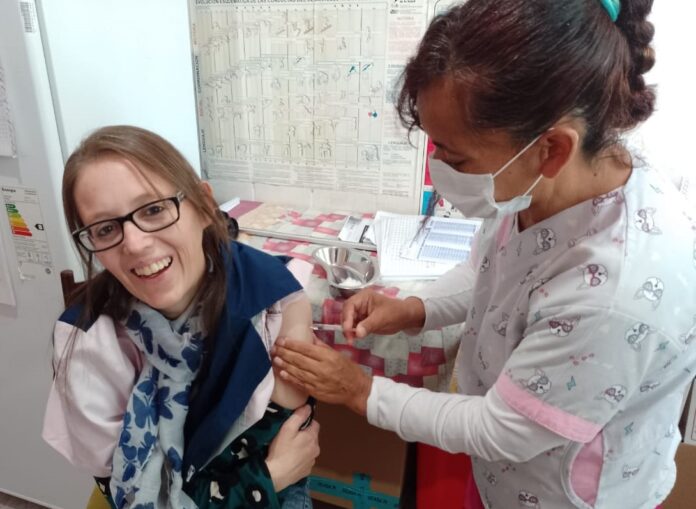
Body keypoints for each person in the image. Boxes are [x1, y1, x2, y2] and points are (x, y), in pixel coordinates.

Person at [272, 1, 696, 507]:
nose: (440, 171)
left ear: (552, 149)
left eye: (456, 157)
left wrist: (361, 391)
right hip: (505, 476)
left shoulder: (615, 291)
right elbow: (492, 268)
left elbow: (504, 430)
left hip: (563, 493)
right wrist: (414, 309)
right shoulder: (538, 186)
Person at [42, 125, 320, 509]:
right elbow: (121, 490)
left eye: (154, 209)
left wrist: (271, 475)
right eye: (105, 229)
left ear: (203, 205)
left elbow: (290, 433)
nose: (135, 243)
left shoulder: (270, 297)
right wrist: (268, 477)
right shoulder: (89, 346)